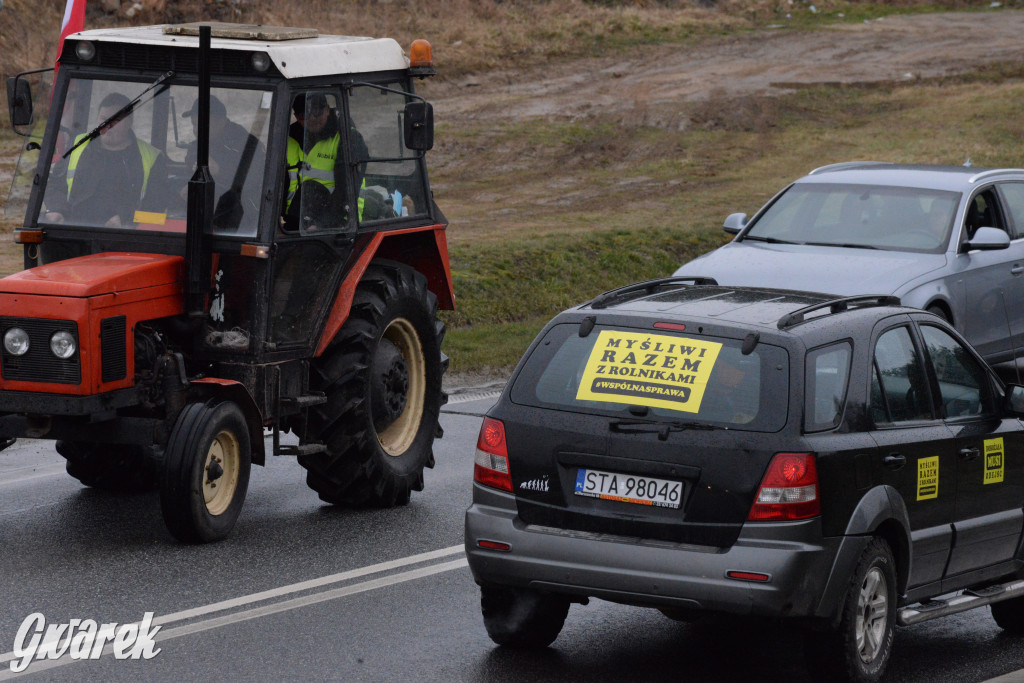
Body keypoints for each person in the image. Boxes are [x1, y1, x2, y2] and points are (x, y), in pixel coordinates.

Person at [45, 92, 165, 228]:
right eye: (103, 118)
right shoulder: (77, 146)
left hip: (125, 237)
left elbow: (159, 210)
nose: (107, 126)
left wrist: (127, 218)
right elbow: (54, 185)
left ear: (129, 123)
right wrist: (57, 209)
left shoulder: (153, 158)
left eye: (116, 121)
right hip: (75, 232)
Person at [283, 92, 370, 231]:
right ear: (297, 118)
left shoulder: (349, 140)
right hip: (296, 222)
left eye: (317, 112)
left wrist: (321, 225)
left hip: (342, 225)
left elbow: (345, 193)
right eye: (304, 115)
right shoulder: (287, 138)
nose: (312, 119)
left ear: (327, 109)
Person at [181, 95, 265, 233]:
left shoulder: (246, 145)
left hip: (242, 216)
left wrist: (220, 170)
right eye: (194, 124)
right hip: (204, 210)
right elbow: (190, 159)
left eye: (200, 124)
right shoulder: (198, 144)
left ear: (221, 121)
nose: (195, 130)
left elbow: (255, 180)